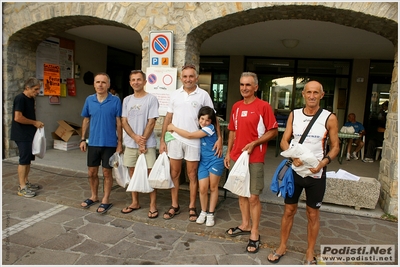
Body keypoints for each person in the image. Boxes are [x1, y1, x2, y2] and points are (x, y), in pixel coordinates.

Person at [267, 81, 339, 264]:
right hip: (296, 172)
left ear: (322, 95)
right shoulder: (294, 115)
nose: (312, 96)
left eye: (316, 93)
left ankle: (309, 252)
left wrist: (323, 163)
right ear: (303, 94)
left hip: (316, 174)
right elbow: (284, 141)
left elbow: (335, 147)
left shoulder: (329, 117)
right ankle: (282, 246)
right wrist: (293, 157)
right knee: (289, 210)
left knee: (312, 214)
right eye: (309, 92)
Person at [159, 64, 223, 222]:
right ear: (181, 78)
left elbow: (213, 119)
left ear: (196, 78)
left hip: (194, 141)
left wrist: (220, 139)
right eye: (185, 76)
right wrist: (162, 140)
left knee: (192, 175)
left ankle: (192, 207)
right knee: (174, 173)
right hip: (174, 139)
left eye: (191, 76)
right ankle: (175, 205)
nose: (188, 79)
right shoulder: (175, 94)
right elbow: (168, 118)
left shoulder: (203, 95)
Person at [224, 72, 278, 253]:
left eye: (248, 85)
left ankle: (255, 231)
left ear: (256, 87)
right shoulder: (236, 107)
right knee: (241, 193)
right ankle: (245, 224)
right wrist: (228, 153)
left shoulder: (263, 106)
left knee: (253, 196)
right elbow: (232, 131)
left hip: (255, 158)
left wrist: (255, 143)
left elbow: (273, 131)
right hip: (236, 157)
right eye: (242, 85)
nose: (244, 88)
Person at [167, 106, 224, 226]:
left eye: (207, 120)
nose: (204, 122)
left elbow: (189, 136)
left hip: (214, 160)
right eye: (202, 119)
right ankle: (203, 211)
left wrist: (173, 127)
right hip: (203, 161)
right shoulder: (201, 127)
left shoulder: (210, 128)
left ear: (211, 122)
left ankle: (211, 213)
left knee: (213, 187)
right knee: (202, 188)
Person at [79, 72, 123, 214]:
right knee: (91, 172)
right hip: (93, 143)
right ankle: (94, 196)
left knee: (107, 173)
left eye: (103, 82)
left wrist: (120, 142)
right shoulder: (89, 100)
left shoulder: (115, 101)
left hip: (110, 143)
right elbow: (86, 120)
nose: (100, 85)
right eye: (97, 82)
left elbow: (119, 122)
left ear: (108, 85)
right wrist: (82, 139)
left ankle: (106, 199)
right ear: (94, 84)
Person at [121, 70, 160, 218]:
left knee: (151, 174)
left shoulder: (151, 99)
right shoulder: (127, 100)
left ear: (145, 82)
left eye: (139, 79)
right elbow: (124, 121)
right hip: (131, 143)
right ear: (130, 82)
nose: (136, 82)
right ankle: (134, 202)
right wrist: (135, 138)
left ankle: (152, 205)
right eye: (133, 80)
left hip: (148, 144)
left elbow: (152, 122)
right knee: (132, 172)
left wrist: (142, 140)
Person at [11, 77, 44, 197]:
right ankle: (22, 187)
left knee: (28, 160)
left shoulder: (30, 99)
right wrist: (34, 123)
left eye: (38, 89)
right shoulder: (20, 99)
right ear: (27, 88)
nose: (37, 92)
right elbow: (18, 117)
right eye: (35, 89)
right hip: (21, 134)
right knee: (23, 160)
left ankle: (26, 182)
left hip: (29, 133)